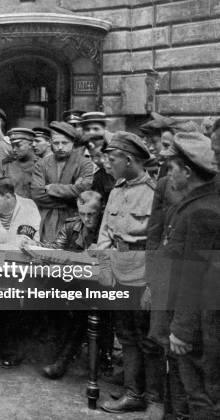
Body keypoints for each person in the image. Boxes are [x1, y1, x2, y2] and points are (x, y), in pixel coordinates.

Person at [95, 132, 165, 415]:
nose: (107, 164)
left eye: (112, 159)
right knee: (125, 334)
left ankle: (155, 398)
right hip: (118, 267)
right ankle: (134, 392)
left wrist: (154, 282)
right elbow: (104, 234)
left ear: (129, 159)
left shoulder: (155, 192)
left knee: (149, 338)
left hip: (144, 270)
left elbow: (159, 241)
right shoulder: (116, 189)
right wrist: (103, 267)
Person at [160, 132, 220, 420]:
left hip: (196, 325)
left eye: (171, 168)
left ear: (186, 171)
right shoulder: (198, 202)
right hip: (192, 319)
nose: (168, 174)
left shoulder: (202, 212)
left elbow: (197, 275)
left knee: (199, 397)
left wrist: (182, 329)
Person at [40, 190, 103, 380]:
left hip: (102, 285)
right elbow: (55, 248)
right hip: (75, 283)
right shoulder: (72, 226)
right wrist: (34, 247)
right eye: (82, 214)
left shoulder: (107, 229)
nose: (86, 219)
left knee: (81, 311)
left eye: (91, 214)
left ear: (100, 211)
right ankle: (58, 356)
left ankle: (62, 362)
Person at [31, 121, 94, 243]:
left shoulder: (84, 163)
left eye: (64, 143)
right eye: (56, 143)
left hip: (75, 221)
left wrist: (52, 188)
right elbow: (36, 194)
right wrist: (71, 198)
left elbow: (84, 191)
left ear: (73, 143)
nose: (60, 147)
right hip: (47, 220)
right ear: (51, 143)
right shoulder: (42, 164)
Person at [0, 128, 37, 198]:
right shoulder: (6, 165)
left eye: (18, 145)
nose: (14, 149)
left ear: (30, 144)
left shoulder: (42, 165)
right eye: (12, 146)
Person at [84, 133, 115, 205]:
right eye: (92, 156)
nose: (95, 161)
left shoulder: (126, 170)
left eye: (98, 155)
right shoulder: (98, 177)